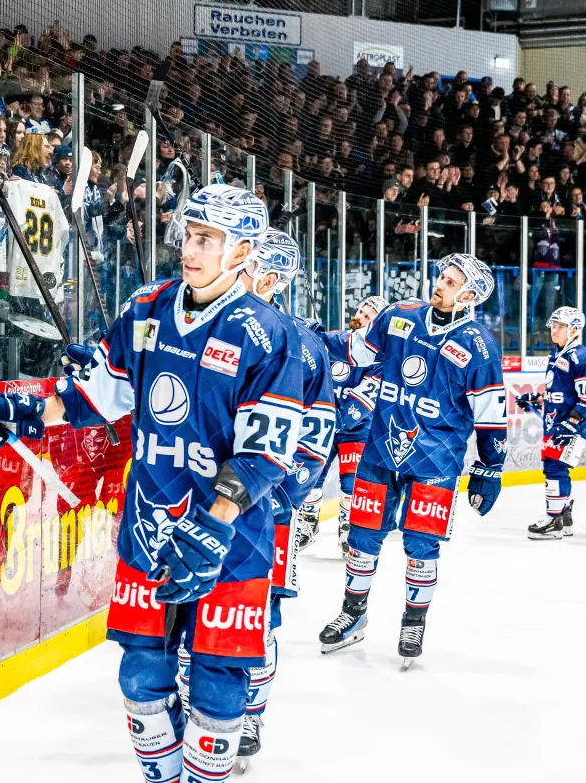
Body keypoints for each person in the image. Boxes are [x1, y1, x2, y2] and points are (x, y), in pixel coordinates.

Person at [0, 184, 307, 783]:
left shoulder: (267, 334)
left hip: (231, 542)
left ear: (242, 250)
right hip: (150, 530)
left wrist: (213, 527)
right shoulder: (147, 306)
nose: (190, 249)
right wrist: (23, 414)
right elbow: (94, 396)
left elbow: (263, 454)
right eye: (189, 235)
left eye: (207, 240)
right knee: (141, 677)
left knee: (218, 682)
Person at [317, 253, 508, 667]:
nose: (440, 283)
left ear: (470, 295)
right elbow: (357, 350)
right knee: (362, 538)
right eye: (442, 276)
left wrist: (489, 469)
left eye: (451, 282)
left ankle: (413, 620)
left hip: (436, 464)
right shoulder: (399, 316)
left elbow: (492, 415)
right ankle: (353, 615)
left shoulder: (479, 347)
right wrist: (315, 337)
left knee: (422, 547)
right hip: (381, 450)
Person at [225, 229, 335, 770]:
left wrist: (275, 495)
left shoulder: (302, 344)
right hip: (201, 501)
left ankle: (249, 711)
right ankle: (193, 695)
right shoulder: (204, 322)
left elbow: (316, 438)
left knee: (258, 613)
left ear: (268, 280)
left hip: (267, 512)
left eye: (244, 266)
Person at [293, 294, 387, 556]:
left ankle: (348, 528)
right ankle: (307, 522)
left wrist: (329, 417)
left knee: (351, 483)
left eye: (368, 317)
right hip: (322, 424)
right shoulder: (335, 340)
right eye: (360, 311)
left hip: (354, 430)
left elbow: (362, 402)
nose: (360, 317)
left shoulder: (380, 359)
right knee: (310, 477)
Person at [515, 306, 586, 540]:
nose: (555, 329)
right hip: (555, 424)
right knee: (557, 469)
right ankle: (564, 516)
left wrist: (571, 424)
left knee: (554, 469)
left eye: (561, 326)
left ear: (574, 329)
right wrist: (537, 399)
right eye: (554, 325)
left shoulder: (581, 357)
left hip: (570, 428)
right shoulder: (557, 353)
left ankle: (554, 521)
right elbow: (560, 392)